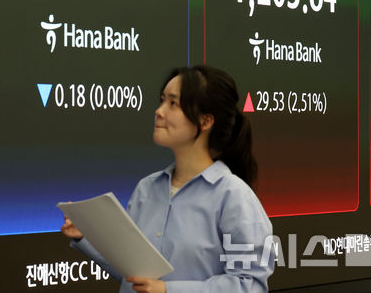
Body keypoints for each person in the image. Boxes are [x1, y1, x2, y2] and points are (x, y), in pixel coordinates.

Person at [61, 65, 275, 293]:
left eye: (173, 103)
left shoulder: (233, 196)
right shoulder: (146, 189)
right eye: (162, 100)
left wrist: (168, 290)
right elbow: (134, 275)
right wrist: (88, 236)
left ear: (205, 121)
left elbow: (249, 284)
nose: (159, 111)